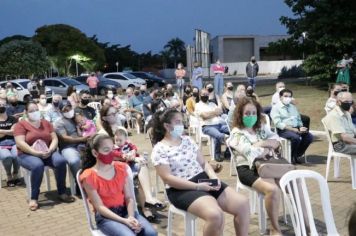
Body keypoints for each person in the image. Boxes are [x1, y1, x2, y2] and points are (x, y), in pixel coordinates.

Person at [150, 108, 250, 236]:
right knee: (216, 215)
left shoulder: (187, 140)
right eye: (178, 122)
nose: (182, 125)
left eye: (182, 121)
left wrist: (214, 177)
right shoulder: (160, 149)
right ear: (167, 126)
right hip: (180, 189)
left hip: (202, 179)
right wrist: (197, 186)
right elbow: (168, 179)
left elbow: (203, 163)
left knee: (242, 204)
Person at [80, 134, 157, 236]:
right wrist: (125, 221)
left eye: (112, 149)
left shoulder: (120, 167)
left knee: (151, 233)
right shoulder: (89, 176)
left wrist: (131, 217)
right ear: (95, 153)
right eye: (106, 150)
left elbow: (129, 197)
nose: (111, 153)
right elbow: (100, 207)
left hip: (125, 211)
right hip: (106, 217)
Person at [227, 97, 283, 235]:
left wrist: (262, 144)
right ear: (240, 114)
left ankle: (305, 224)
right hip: (247, 169)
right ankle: (274, 228)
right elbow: (252, 153)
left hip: (267, 164)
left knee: (295, 183)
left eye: (253, 113)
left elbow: (277, 140)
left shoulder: (261, 128)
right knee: (273, 190)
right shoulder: (236, 134)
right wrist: (266, 146)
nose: (251, 116)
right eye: (247, 113)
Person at [14, 101, 74, 211]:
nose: (35, 112)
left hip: (47, 152)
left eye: (36, 109)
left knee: (60, 161)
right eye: (31, 111)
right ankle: (34, 197)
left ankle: (62, 192)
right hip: (27, 154)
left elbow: (54, 138)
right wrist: (35, 153)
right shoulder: (20, 125)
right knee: (38, 165)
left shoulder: (46, 123)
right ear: (26, 112)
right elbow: (20, 143)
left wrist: (50, 150)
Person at [113, 128, 165, 222]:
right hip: (122, 170)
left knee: (142, 166)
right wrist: (127, 157)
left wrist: (133, 153)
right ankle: (146, 207)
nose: (118, 142)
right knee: (140, 173)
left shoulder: (127, 144)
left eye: (120, 140)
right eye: (116, 140)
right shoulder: (114, 147)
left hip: (132, 166)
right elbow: (116, 154)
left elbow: (134, 147)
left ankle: (148, 202)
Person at [270, 89, 313, 164]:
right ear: (280, 97)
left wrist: (301, 127)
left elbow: (298, 118)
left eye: (290, 97)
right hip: (284, 130)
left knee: (309, 137)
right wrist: (292, 129)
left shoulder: (292, 107)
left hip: (296, 128)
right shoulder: (275, 108)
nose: (288, 98)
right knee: (296, 138)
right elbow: (278, 123)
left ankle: (296, 154)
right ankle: (291, 157)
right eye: (285, 96)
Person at [54, 101, 88, 190]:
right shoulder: (59, 123)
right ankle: (80, 186)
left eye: (69, 108)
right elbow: (64, 138)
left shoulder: (76, 118)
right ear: (61, 112)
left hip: (82, 144)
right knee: (74, 161)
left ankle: (93, 183)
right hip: (68, 147)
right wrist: (81, 139)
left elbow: (88, 126)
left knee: (95, 155)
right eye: (65, 110)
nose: (68, 111)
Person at [195, 89, 230, 162]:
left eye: (207, 95)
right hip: (207, 126)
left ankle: (228, 151)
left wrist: (210, 113)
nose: (205, 96)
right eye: (203, 94)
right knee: (219, 135)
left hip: (219, 125)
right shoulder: (198, 105)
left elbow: (220, 111)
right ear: (200, 95)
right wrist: (214, 113)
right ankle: (217, 154)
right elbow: (204, 116)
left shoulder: (212, 104)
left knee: (232, 130)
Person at [0, 98, 20, 187]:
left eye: (3, 105)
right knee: (7, 156)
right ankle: (9, 175)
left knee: (17, 155)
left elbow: (14, 132)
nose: (1, 106)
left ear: (6, 106)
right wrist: (9, 131)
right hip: (1, 144)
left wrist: (1, 130)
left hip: (14, 142)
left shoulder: (13, 118)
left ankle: (15, 173)